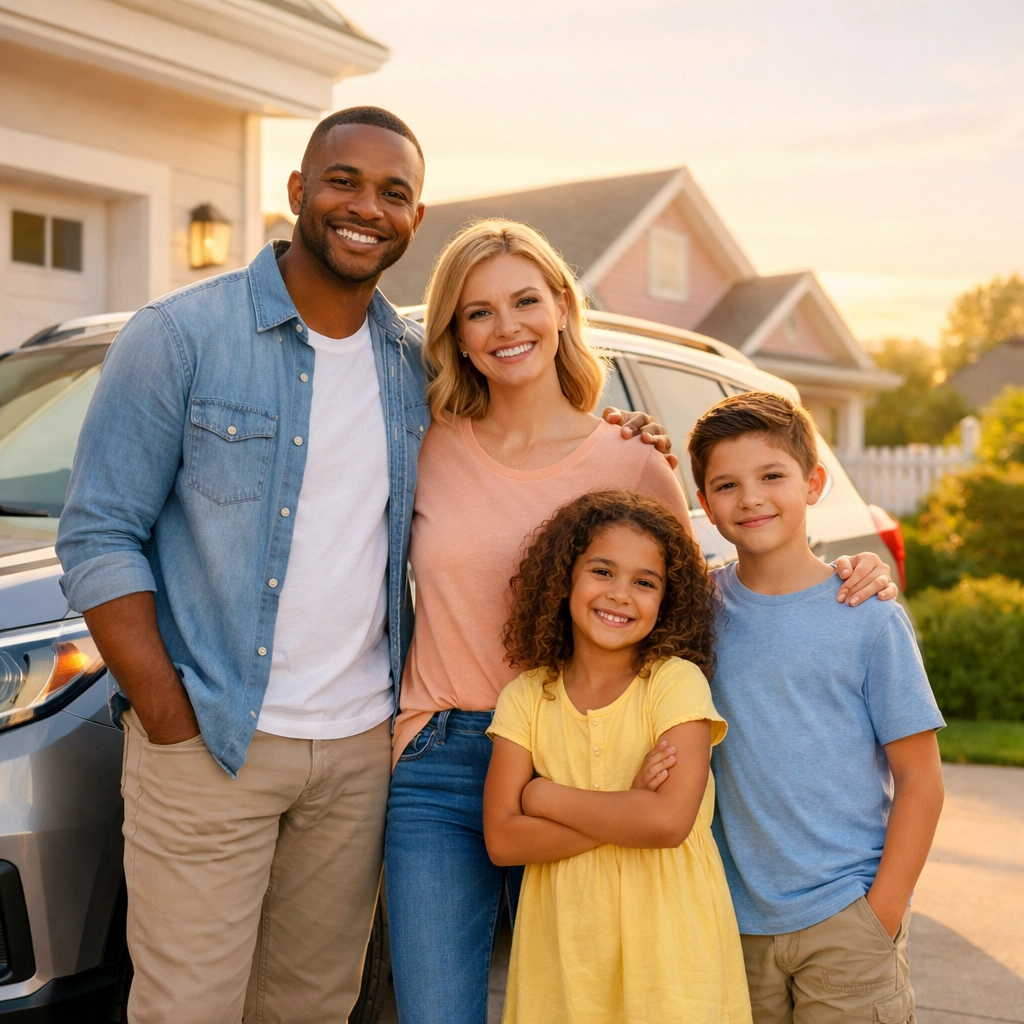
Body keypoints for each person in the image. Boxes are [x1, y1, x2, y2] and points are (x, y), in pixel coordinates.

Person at [54, 107, 666, 1024]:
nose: (365, 208)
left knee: (311, 1005)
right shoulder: (181, 336)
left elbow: (547, 467)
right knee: (189, 1007)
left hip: (359, 752)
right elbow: (98, 535)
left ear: (415, 220)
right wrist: (169, 716)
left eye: (394, 193)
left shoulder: (408, 369)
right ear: (298, 191)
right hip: (215, 735)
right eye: (343, 181)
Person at [384, 217, 895, 1024]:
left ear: (561, 306)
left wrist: (843, 573)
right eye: (478, 311)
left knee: (583, 1003)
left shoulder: (629, 456)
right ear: (455, 332)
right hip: (442, 758)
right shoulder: (423, 445)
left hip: (597, 759)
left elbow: (696, 600)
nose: (506, 326)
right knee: (434, 1012)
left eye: (524, 300)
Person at [686, 392, 946, 1023]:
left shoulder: (867, 614)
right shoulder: (695, 612)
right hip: (736, 922)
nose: (751, 498)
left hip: (846, 919)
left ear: (814, 483)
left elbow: (922, 780)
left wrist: (879, 914)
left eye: (772, 476)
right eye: (726, 484)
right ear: (705, 506)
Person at [483, 490, 753, 1024]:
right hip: (565, 965)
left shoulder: (674, 684)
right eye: (602, 572)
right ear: (564, 579)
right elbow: (503, 840)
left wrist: (545, 796)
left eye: (645, 582)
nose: (621, 595)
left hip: (672, 964)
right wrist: (627, 805)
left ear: (666, 599)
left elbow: (668, 821)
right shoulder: (527, 697)